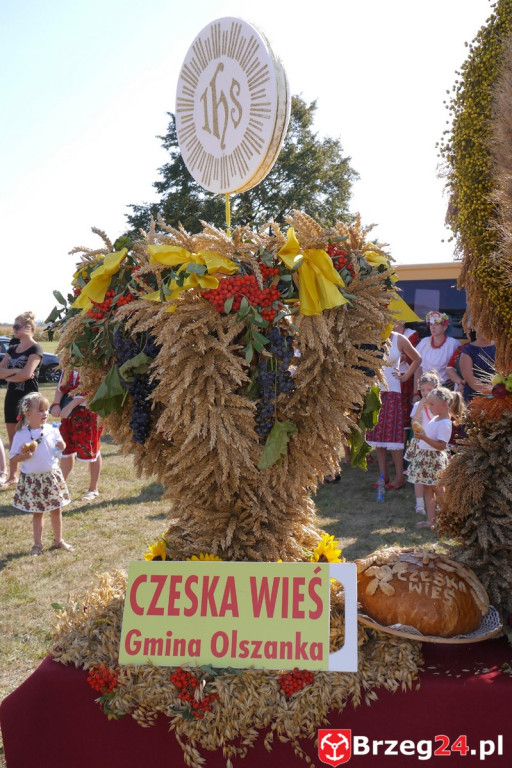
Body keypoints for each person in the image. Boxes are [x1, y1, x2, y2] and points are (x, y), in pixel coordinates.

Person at [9, 392, 72, 555]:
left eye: (46, 410)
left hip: (51, 476)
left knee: (56, 510)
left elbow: (61, 446)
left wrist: (62, 445)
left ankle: (59, 540)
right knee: (38, 513)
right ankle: (37, 544)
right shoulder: (21, 434)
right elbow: (13, 458)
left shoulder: (52, 430)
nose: (45, 413)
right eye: (40, 410)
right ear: (28, 414)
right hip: (33, 479)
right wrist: (23, 456)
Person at [366, 330, 422, 490]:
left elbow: (417, 359)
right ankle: (383, 476)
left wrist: (405, 376)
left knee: (394, 437)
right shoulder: (369, 336)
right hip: (374, 391)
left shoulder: (399, 338)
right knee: (378, 436)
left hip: (392, 391)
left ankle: (399, 477)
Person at [407, 387, 465, 529]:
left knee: (439, 490)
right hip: (426, 459)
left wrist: (424, 438)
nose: (429, 407)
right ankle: (431, 520)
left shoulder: (445, 423)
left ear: (444, 405)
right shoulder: (436, 418)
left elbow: (441, 445)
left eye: (432, 404)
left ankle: (448, 519)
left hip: (434, 460)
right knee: (428, 489)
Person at [0, 312, 43, 488]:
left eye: (17, 326)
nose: (14, 329)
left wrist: (10, 375)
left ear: (28, 327)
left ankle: (34, 472)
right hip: (11, 397)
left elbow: (27, 374)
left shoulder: (36, 349)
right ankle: (13, 476)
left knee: (31, 436)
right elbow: (1, 372)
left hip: (29, 399)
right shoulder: (12, 349)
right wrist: (16, 372)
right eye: (13, 326)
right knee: (13, 439)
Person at [50, 370, 103, 501]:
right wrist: (56, 404)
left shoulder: (92, 362)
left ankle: (93, 489)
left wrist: (70, 406)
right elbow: (61, 385)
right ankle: (58, 487)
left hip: (88, 411)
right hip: (68, 411)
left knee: (92, 449)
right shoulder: (68, 361)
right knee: (66, 448)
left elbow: (92, 386)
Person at [404, 370, 440, 516]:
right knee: (418, 475)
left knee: (436, 475)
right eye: (423, 390)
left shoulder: (439, 405)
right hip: (420, 444)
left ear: (436, 389)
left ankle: (437, 503)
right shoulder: (418, 405)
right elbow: (415, 422)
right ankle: (419, 504)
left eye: (429, 390)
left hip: (434, 443)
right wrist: (420, 407)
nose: (425, 393)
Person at [413, 311, 460, 393]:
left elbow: (459, 366)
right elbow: (418, 368)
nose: (433, 327)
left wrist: (455, 379)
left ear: (444, 327)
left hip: (444, 389)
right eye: (431, 324)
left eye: (437, 324)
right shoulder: (424, 342)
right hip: (425, 389)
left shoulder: (453, 344)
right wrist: (415, 392)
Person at [393, 321, 420, 443]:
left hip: (407, 378)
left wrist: (405, 357)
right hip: (391, 377)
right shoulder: (387, 334)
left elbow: (416, 359)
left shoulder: (412, 335)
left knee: (404, 413)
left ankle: (401, 446)